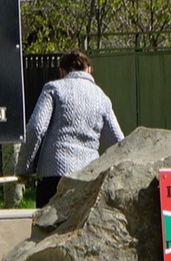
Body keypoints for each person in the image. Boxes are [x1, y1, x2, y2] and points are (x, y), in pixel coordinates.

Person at [17, 51, 125, 207]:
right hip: (88, 177)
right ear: (89, 70)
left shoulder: (53, 88)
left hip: (53, 175)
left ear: (61, 72)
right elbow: (117, 141)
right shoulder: (102, 98)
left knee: (47, 229)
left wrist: (23, 168)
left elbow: (36, 128)